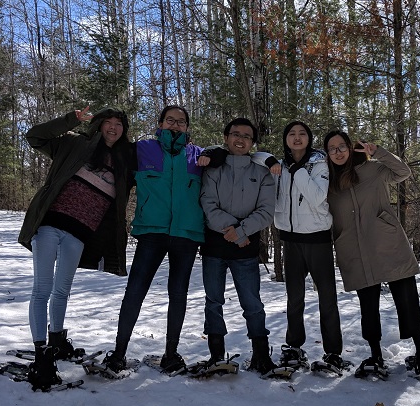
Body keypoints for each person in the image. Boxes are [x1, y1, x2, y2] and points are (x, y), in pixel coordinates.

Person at [97, 105, 219, 378]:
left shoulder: (199, 156)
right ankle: (118, 354)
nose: (175, 125)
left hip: (186, 236)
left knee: (178, 295)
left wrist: (214, 153)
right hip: (152, 233)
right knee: (135, 292)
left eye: (181, 122)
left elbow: (230, 155)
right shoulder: (142, 150)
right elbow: (110, 151)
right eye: (170, 120)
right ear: (161, 123)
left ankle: (171, 354)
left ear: (187, 127)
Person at [19, 106, 134, 390]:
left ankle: (56, 341)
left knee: (62, 290)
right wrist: (70, 119)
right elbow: (34, 136)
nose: (112, 127)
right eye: (107, 122)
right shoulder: (74, 144)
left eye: (118, 123)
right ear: (97, 124)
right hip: (49, 225)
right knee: (42, 289)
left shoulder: (125, 160)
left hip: (79, 234)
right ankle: (41, 354)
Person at [323, 130, 420, 379]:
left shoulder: (373, 169)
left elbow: (402, 172)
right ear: (327, 154)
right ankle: (375, 354)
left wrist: (379, 152)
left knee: (407, 301)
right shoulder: (329, 183)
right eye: (332, 149)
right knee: (368, 306)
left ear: (350, 148)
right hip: (355, 250)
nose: (338, 152)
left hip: (387, 243)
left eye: (341, 146)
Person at [253, 122, 345, 373]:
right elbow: (255, 156)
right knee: (294, 299)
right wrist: (272, 159)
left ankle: (333, 352)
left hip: (318, 240)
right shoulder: (279, 165)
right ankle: (294, 346)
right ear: (285, 139)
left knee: (327, 299)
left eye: (302, 134)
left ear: (309, 139)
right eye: (291, 134)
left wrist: (298, 170)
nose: (296, 138)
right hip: (291, 241)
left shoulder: (319, 163)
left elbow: (317, 198)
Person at [197, 117, 282, 378]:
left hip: (246, 248)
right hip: (214, 247)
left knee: (253, 303)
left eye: (247, 136)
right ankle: (215, 353)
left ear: (253, 142)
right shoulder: (212, 169)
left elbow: (267, 211)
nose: (240, 139)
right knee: (213, 302)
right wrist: (235, 231)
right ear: (226, 137)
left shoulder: (263, 173)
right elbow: (207, 204)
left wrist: (242, 232)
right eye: (235, 134)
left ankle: (260, 354)